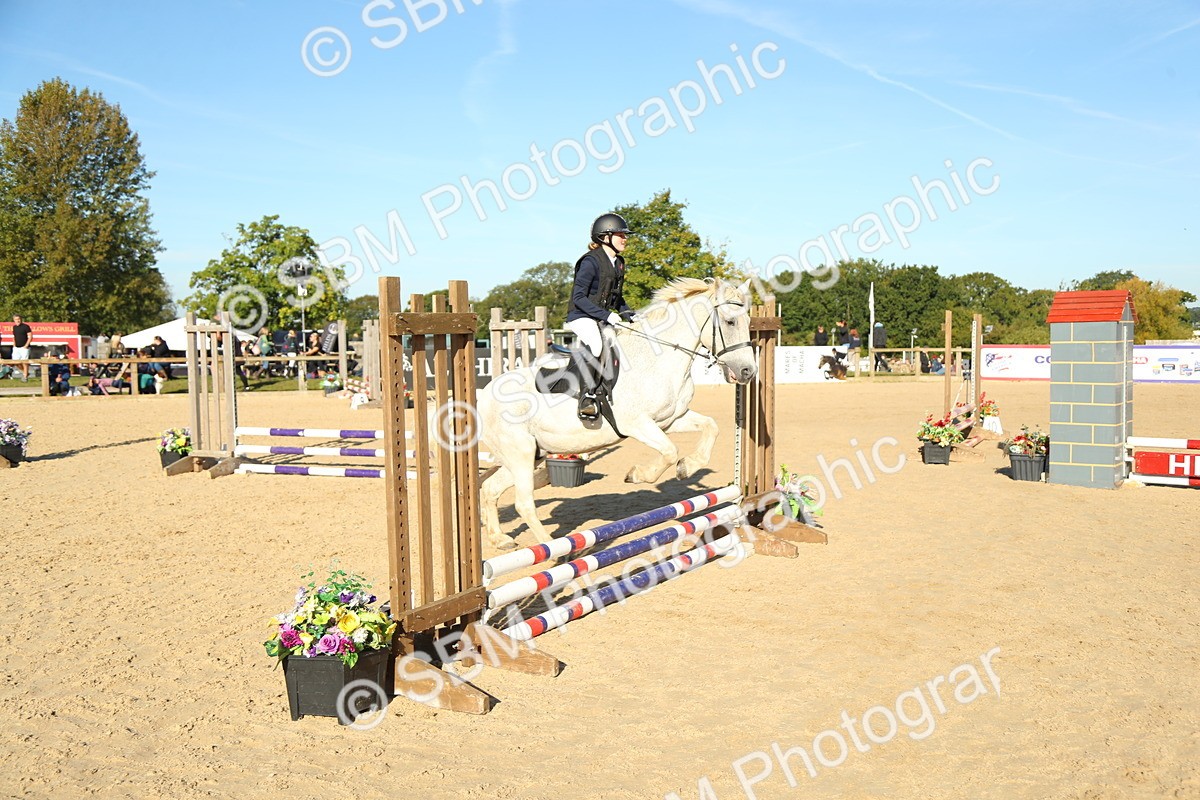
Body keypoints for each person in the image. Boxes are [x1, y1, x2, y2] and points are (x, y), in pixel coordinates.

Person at [564, 212, 635, 419]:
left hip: (600, 316)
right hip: (580, 315)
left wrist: (630, 315)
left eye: (625, 235)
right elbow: (579, 298)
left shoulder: (618, 263)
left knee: (621, 342)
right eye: (620, 235)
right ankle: (587, 397)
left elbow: (617, 297)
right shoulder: (590, 262)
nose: (625, 238)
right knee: (596, 344)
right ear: (605, 237)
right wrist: (606, 315)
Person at [10, 314, 32, 381]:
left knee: (24, 362)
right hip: (16, 348)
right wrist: (14, 345)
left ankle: (25, 377)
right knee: (15, 362)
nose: (17, 320)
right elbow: (14, 337)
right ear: (14, 320)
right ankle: (26, 372)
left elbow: (30, 336)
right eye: (16, 319)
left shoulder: (26, 326)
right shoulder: (14, 327)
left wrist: (26, 345)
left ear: (21, 319)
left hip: (24, 348)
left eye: (18, 319)